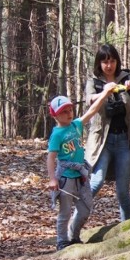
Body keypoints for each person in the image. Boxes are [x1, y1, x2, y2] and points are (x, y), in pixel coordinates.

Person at [83, 44, 130, 222]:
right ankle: (73, 226)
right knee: (96, 183)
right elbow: (89, 99)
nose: (109, 65)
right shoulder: (94, 81)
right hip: (102, 142)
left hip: (124, 141)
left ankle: (125, 229)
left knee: (123, 190)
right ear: (99, 63)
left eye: (112, 61)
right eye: (105, 61)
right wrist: (105, 92)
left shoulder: (125, 77)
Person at [47, 89, 115, 251]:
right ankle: (62, 241)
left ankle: (74, 235)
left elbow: (92, 111)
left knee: (85, 208)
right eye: (63, 112)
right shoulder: (57, 134)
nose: (68, 114)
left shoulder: (76, 125)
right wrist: (52, 179)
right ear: (55, 115)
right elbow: (50, 157)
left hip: (81, 175)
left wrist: (105, 94)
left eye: (70, 110)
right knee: (65, 212)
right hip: (65, 177)